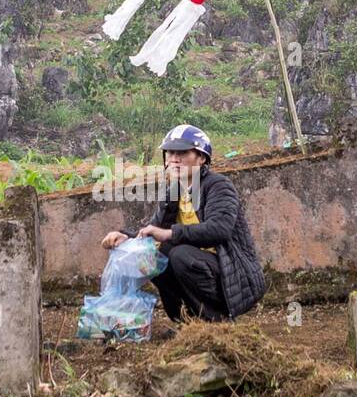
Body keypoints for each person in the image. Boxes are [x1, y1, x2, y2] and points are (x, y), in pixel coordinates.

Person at [101, 124, 266, 324]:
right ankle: (185, 321)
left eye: (182, 153)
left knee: (180, 254)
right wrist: (126, 237)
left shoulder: (218, 185)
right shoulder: (175, 192)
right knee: (151, 257)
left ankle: (217, 321)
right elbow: (154, 233)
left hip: (233, 274)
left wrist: (170, 234)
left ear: (202, 158)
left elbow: (219, 230)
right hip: (199, 267)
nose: (174, 159)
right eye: (170, 153)